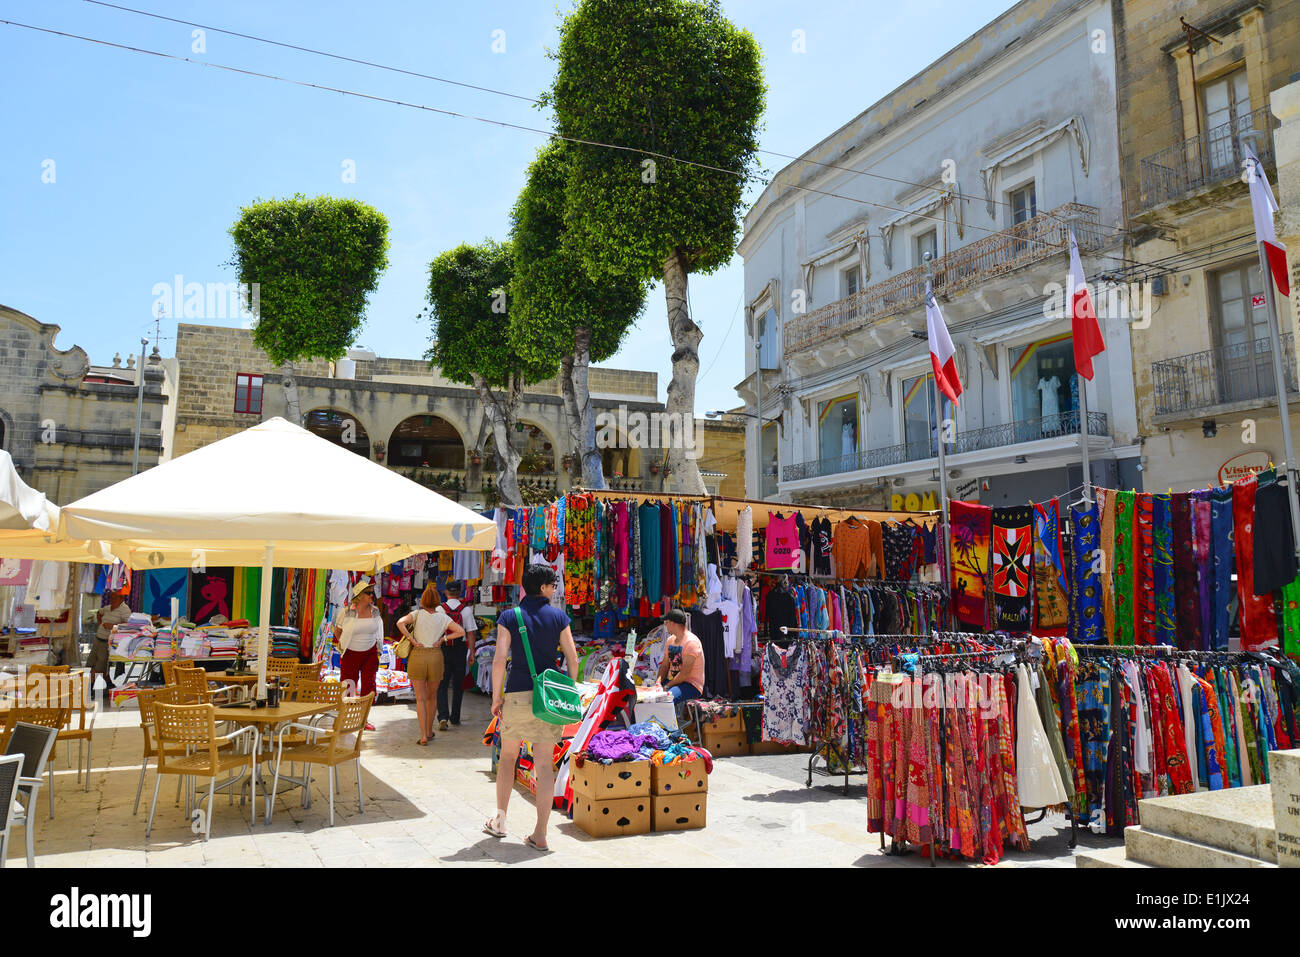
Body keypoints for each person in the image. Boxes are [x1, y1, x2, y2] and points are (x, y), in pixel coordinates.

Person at [485, 563, 578, 852]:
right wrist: (567, 692)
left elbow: (500, 659)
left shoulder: (509, 616)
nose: (554, 590)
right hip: (547, 700)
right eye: (553, 585)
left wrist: (496, 697)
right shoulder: (559, 617)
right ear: (543, 587)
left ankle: (499, 821)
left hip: (516, 694)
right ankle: (540, 833)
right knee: (544, 765)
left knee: (508, 759)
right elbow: (573, 659)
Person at [396, 585, 464, 745]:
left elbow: (400, 623)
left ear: (424, 600)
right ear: (437, 601)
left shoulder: (417, 614)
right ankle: (428, 730)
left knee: (420, 699)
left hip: (418, 656)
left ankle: (423, 736)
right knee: (432, 697)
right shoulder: (443, 617)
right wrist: (443, 639)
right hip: (435, 656)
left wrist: (411, 639)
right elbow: (460, 631)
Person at [335, 579, 383, 731]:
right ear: (360, 595)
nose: (371, 596)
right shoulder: (347, 611)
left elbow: (379, 629)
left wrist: (378, 649)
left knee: (369, 686)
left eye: (371, 593)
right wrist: (343, 644)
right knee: (348, 684)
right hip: (350, 652)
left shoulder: (375, 610)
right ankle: (346, 717)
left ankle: (364, 719)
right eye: (368, 593)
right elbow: (337, 630)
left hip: (370, 652)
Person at [437, 580, 478, 730]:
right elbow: (471, 633)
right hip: (460, 649)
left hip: (443, 649)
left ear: (446, 593)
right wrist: (472, 653)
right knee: (458, 685)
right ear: (460, 592)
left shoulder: (439, 609)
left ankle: (443, 716)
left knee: (441, 685)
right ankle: (455, 717)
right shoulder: (466, 611)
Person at [657, 608, 704, 705]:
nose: (665, 625)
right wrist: (658, 682)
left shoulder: (691, 642)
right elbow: (665, 665)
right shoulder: (670, 640)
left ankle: (669, 720)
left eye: (667, 622)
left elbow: (684, 674)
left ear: (673, 624)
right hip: (673, 681)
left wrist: (666, 686)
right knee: (651, 697)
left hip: (691, 684)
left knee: (666, 699)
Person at [89, 587, 131, 692]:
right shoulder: (108, 608)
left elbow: (128, 625)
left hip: (107, 642)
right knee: (93, 664)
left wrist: (113, 626)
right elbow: (99, 612)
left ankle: (95, 687)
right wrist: (100, 624)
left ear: (121, 598)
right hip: (98, 639)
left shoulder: (125, 610)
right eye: (111, 597)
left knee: (100, 666)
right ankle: (104, 684)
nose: (111, 599)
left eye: (114, 598)